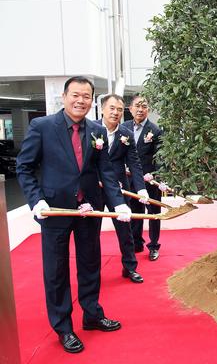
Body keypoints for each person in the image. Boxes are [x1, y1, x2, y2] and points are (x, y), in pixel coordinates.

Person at [16, 76, 132, 353]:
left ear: (92, 100)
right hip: (54, 211)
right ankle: (63, 327)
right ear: (64, 97)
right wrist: (36, 201)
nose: (80, 100)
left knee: (91, 263)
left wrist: (118, 204)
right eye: (75, 95)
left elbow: (106, 171)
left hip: (89, 209)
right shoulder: (42, 127)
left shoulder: (97, 131)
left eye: (86, 96)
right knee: (56, 271)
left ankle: (91, 314)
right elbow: (24, 167)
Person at [97, 94, 149, 283]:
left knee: (125, 230)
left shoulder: (126, 134)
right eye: (112, 108)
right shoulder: (91, 130)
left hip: (119, 189)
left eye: (119, 109)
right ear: (102, 109)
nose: (116, 113)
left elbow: (134, 163)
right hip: (95, 188)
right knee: (91, 231)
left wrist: (141, 189)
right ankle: (93, 272)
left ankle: (130, 267)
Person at [123, 94, 164, 261]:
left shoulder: (155, 130)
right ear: (130, 108)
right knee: (134, 212)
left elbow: (160, 157)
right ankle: (136, 243)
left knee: (153, 214)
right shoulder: (123, 128)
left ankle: (153, 246)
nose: (140, 109)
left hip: (149, 180)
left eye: (144, 106)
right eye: (137, 106)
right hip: (129, 179)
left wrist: (156, 177)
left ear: (148, 109)